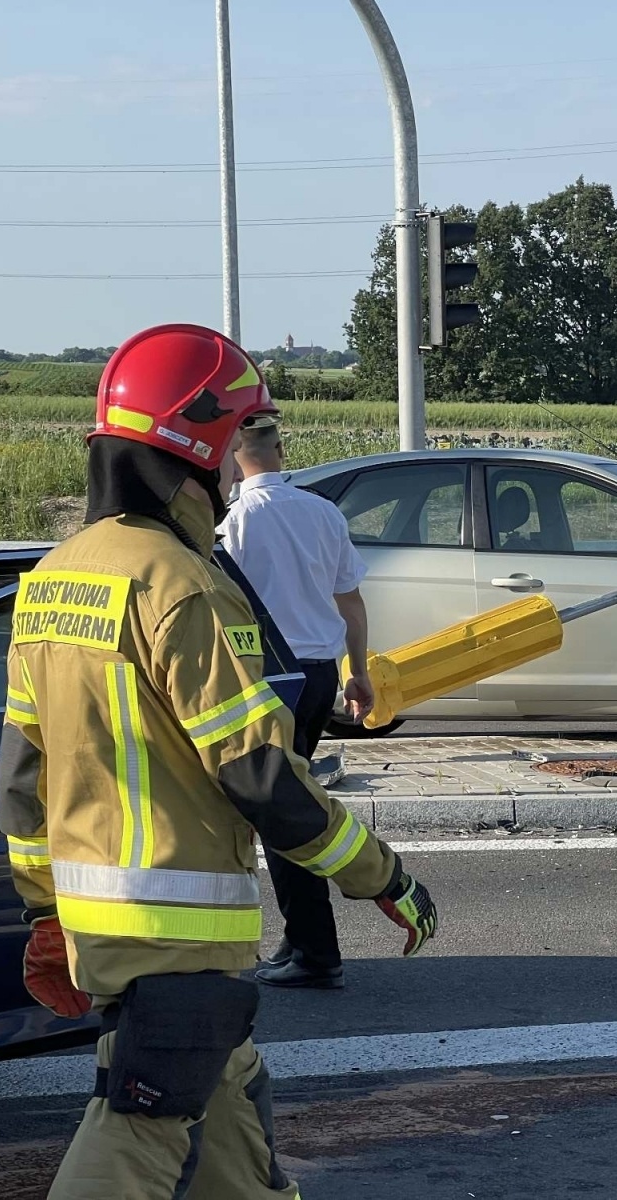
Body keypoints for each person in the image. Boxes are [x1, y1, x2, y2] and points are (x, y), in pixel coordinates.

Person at [0, 323, 437, 1199]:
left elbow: (22, 776)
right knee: (140, 1128)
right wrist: (383, 875)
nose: (239, 464)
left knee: (230, 1125)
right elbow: (260, 774)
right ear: (198, 447)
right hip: (178, 934)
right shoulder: (183, 585)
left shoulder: (53, 577)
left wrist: (46, 910)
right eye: (236, 436)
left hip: (100, 926)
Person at [219, 412, 372, 989]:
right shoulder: (323, 512)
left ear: (234, 459)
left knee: (280, 811)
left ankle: (314, 950)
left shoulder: (234, 522)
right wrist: (358, 672)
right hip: (320, 676)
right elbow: (350, 602)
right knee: (292, 796)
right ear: (280, 451)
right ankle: (300, 937)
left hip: (268, 676)